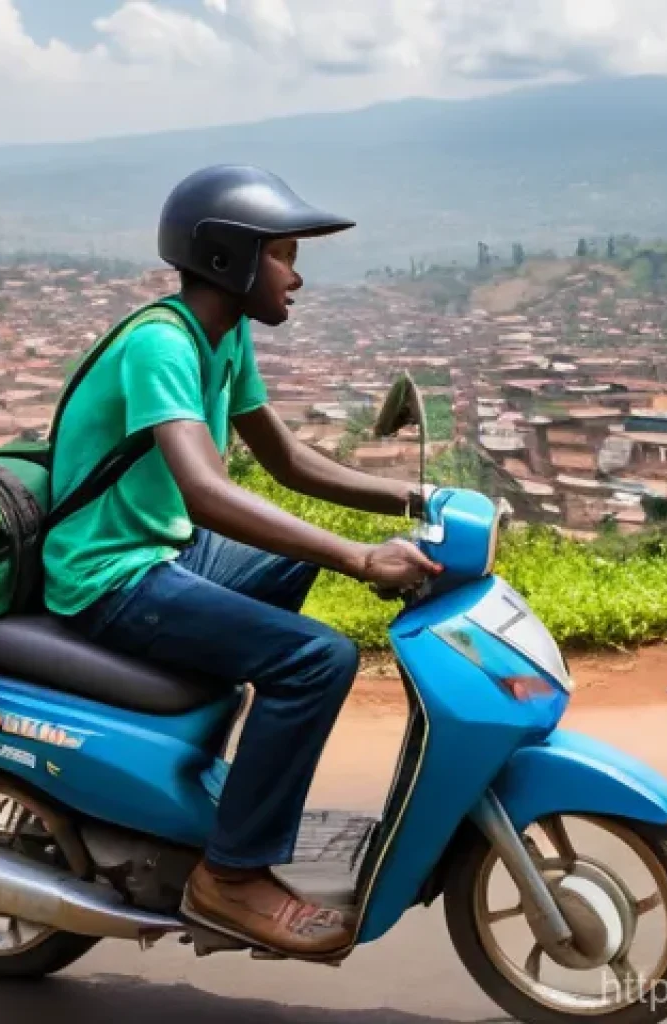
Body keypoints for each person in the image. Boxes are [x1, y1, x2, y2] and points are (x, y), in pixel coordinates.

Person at [44, 165, 441, 959]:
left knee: (296, 568)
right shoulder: (161, 342)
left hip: (161, 550)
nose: (297, 277)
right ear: (229, 258)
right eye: (285, 255)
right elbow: (202, 489)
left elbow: (287, 459)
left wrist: (418, 500)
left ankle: (225, 777)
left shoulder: (221, 336)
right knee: (315, 659)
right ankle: (230, 875)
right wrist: (360, 555)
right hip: (110, 575)